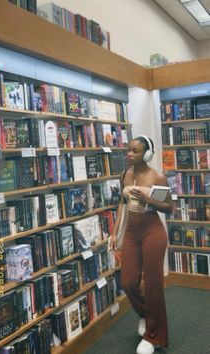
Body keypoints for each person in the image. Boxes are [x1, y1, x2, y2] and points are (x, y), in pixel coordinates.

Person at [110, 135, 172, 354]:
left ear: (147, 154)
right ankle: (147, 315)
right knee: (128, 282)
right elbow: (122, 203)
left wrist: (149, 200)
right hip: (131, 232)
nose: (129, 154)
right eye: (129, 150)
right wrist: (115, 230)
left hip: (152, 232)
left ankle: (153, 336)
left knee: (153, 285)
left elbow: (168, 207)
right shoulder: (125, 174)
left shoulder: (158, 177)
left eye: (135, 151)